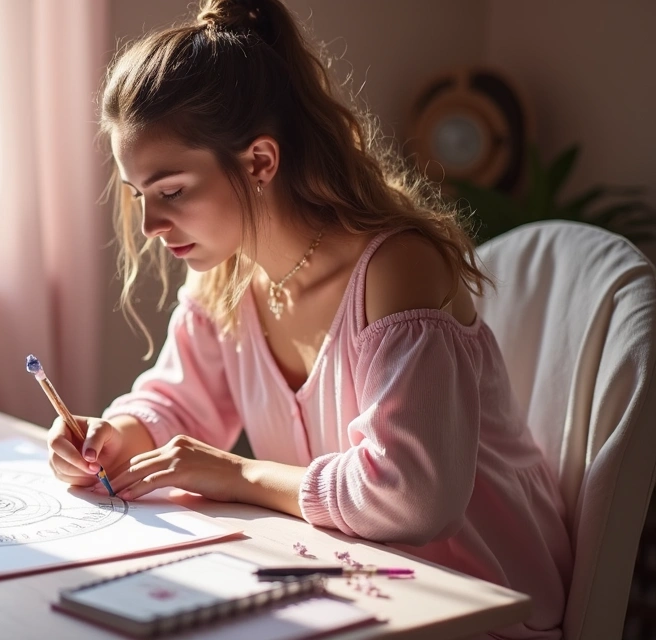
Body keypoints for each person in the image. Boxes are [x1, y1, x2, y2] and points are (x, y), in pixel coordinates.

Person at [46, 1, 572, 638]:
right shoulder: (225, 276)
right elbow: (179, 403)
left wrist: (238, 473)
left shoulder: (396, 269)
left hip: (480, 605)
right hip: (355, 585)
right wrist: (115, 434)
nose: (152, 226)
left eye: (173, 191)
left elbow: (411, 496)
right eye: (140, 197)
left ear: (260, 162)